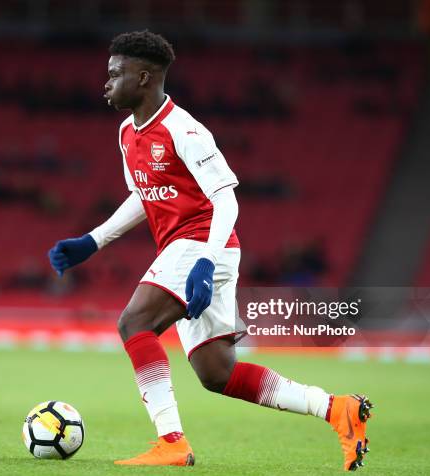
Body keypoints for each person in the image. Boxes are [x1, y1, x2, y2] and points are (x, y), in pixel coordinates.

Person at [48, 30, 373, 471]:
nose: (105, 82)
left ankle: (171, 443)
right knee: (217, 374)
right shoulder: (128, 132)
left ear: (143, 77)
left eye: (114, 74)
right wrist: (93, 240)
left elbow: (226, 198)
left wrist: (205, 258)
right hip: (195, 249)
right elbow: (144, 195)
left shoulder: (185, 130)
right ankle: (336, 409)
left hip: (203, 242)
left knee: (134, 323)